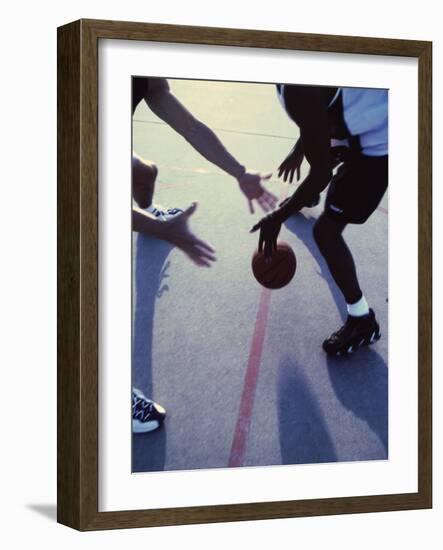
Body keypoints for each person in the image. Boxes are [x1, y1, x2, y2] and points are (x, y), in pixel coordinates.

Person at [132, 77, 278, 432]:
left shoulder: (144, 71)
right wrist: (159, 231)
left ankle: (150, 212)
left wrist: (240, 172)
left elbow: (190, 126)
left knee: (144, 173)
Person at [252, 84, 388, 356]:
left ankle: (362, 321)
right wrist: (300, 148)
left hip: (379, 146)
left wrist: (279, 216)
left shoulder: (295, 89)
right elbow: (322, 108)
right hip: (360, 125)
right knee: (329, 153)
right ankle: (311, 195)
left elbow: (321, 172)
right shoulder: (296, 76)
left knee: (326, 233)